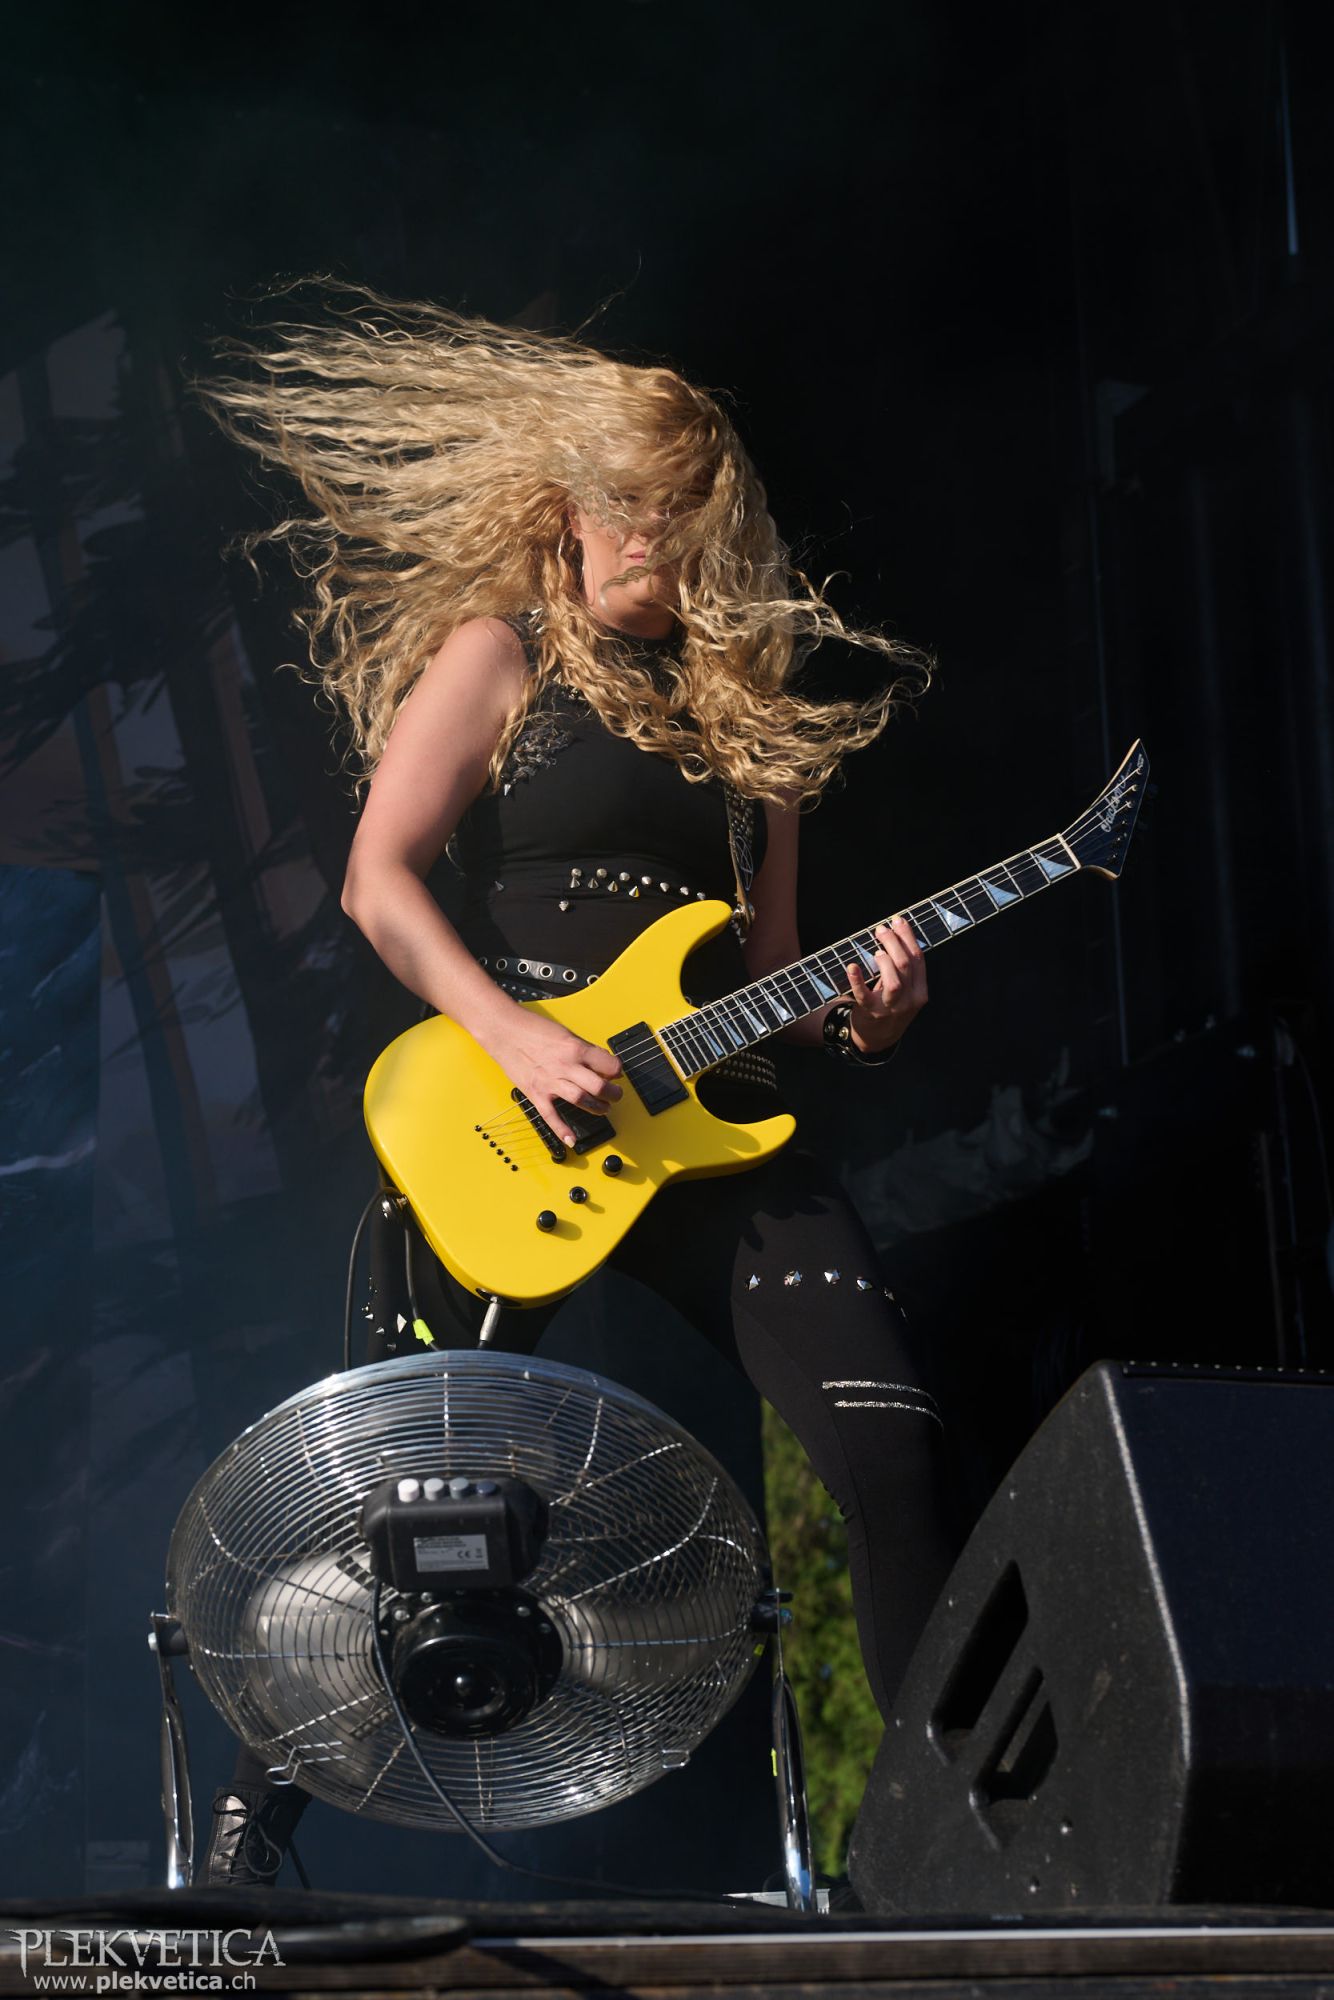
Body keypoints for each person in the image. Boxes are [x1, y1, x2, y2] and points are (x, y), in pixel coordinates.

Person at [194, 283, 958, 1886]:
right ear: (570, 508)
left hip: (706, 1123)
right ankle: (255, 1826)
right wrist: (509, 1030)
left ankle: (937, 1847)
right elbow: (378, 880)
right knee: (401, 1493)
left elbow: (777, 971)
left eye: (687, 524)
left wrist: (867, 1021)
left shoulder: (749, 725)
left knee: (889, 1443)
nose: (657, 550)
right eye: (634, 515)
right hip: (516, 1113)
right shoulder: (501, 655)